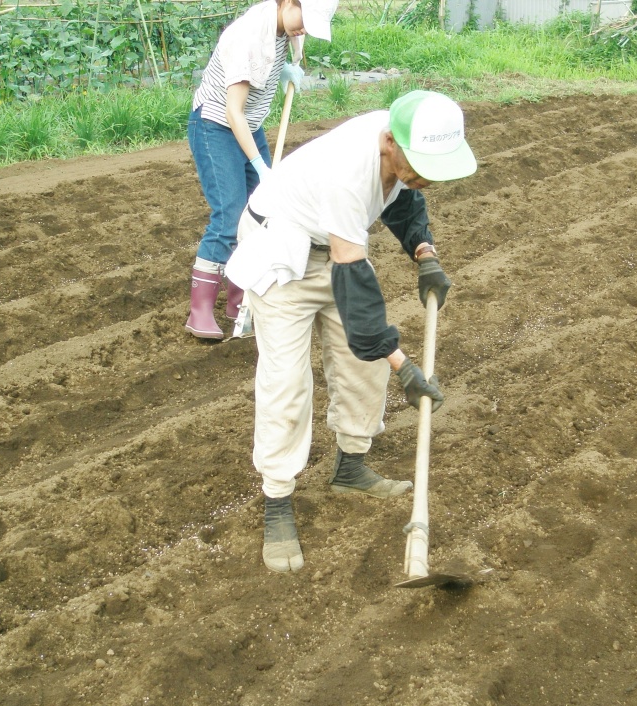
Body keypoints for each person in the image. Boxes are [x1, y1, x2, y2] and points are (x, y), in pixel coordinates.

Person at [225, 90, 477, 573]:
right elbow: (356, 289)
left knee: (364, 369)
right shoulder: (348, 172)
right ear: (388, 143)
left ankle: (350, 467)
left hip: (333, 249)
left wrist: (426, 255)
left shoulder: (402, 146)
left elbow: (405, 200)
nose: (425, 175)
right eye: (419, 163)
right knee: (287, 384)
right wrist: (404, 366)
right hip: (282, 253)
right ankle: (277, 501)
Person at [185, 0, 339, 340]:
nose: (305, 29)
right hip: (215, 125)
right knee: (229, 215)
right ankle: (200, 310)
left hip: (249, 124)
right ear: (289, 2)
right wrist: (258, 164)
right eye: (305, 19)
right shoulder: (249, 35)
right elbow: (232, 111)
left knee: (260, 213)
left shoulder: (285, 26)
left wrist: (283, 71)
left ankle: (239, 296)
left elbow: (267, 74)